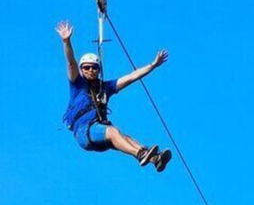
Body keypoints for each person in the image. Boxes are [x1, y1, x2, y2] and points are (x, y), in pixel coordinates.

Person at [56, 20, 172, 172]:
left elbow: (131, 77)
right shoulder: (78, 85)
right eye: (86, 67)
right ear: (82, 70)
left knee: (126, 137)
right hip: (84, 132)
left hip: (98, 131)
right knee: (113, 132)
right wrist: (66, 41)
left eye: (94, 67)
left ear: (98, 70)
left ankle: (154, 158)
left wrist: (153, 65)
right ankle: (140, 154)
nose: (90, 70)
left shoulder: (106, 87)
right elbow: (71, 63)